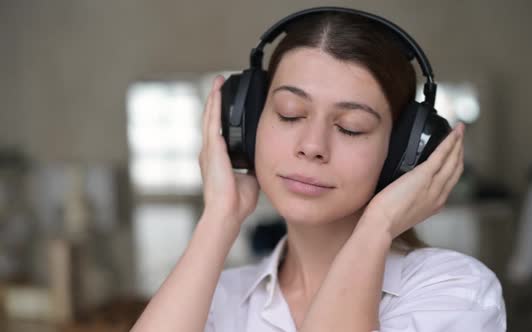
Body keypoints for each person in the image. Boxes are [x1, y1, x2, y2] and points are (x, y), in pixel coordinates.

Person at [131, 9, 506, 332]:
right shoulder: (214, 298)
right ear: (247, 124)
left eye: (350, 128)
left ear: (402, 153)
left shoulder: (454, 290)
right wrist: (219, 216)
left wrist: (379, 224)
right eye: (289, 113)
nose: (312, 146)